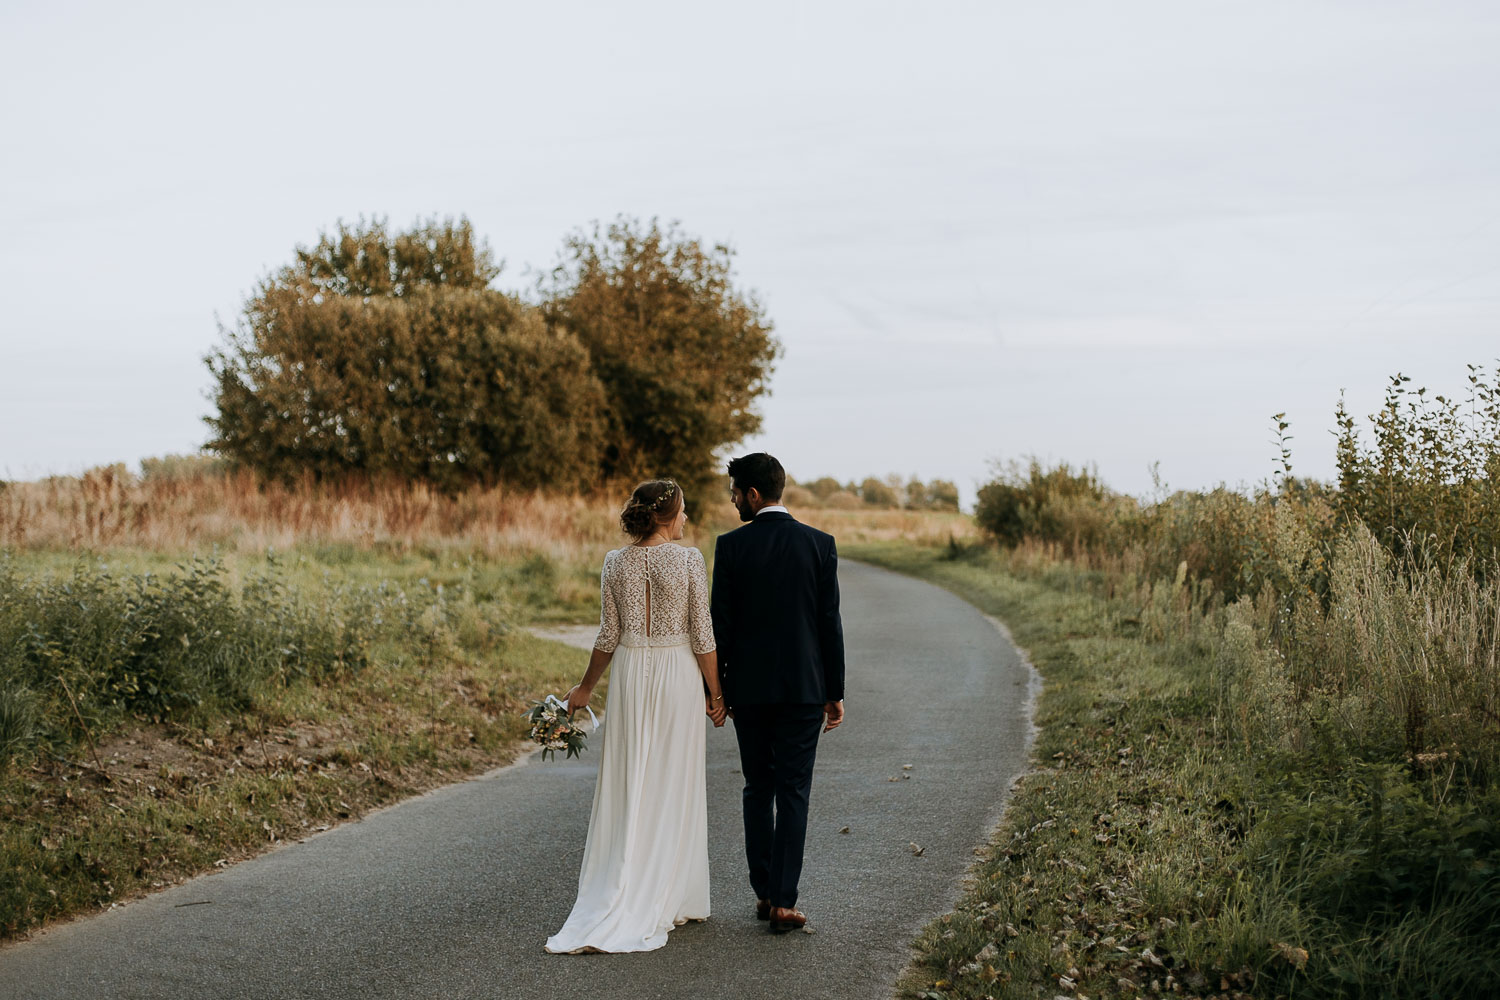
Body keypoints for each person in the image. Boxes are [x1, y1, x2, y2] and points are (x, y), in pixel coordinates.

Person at [544, 479, 727, 955]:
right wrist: (716, 693)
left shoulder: (614, 562)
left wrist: (586, 688)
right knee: (672, 778)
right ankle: (667, 891)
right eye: (684, 511)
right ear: (669, 515)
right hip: (676, 675)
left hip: (629, 674)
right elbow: (701, 633)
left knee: (630, 779)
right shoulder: (689, 560)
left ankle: (625, 881)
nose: (687, 518)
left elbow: (609, 634)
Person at [710, 452, 845, 934]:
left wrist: (718, 690)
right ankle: (785, 901)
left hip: (748, 691)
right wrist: (834, 691)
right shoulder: (819, 544)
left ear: (752, 493)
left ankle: (766, 892)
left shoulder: (730, 548)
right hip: (805, 691)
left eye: (734, 492)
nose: (731, 501)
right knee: (793, 791)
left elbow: (719, 628)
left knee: (757, 786)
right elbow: (829, 623)